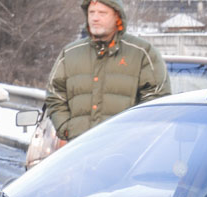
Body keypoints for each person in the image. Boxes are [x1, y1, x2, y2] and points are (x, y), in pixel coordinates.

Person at [44, 0, 169, 142]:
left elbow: (157, 99)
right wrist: (66, 129)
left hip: (124, 152)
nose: (95, 18)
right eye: (91, 12)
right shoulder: (70, 53)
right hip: (79, 150)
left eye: (102, 13)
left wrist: (135, 135)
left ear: (117, 16)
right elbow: (55, 94)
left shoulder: (142, 52)